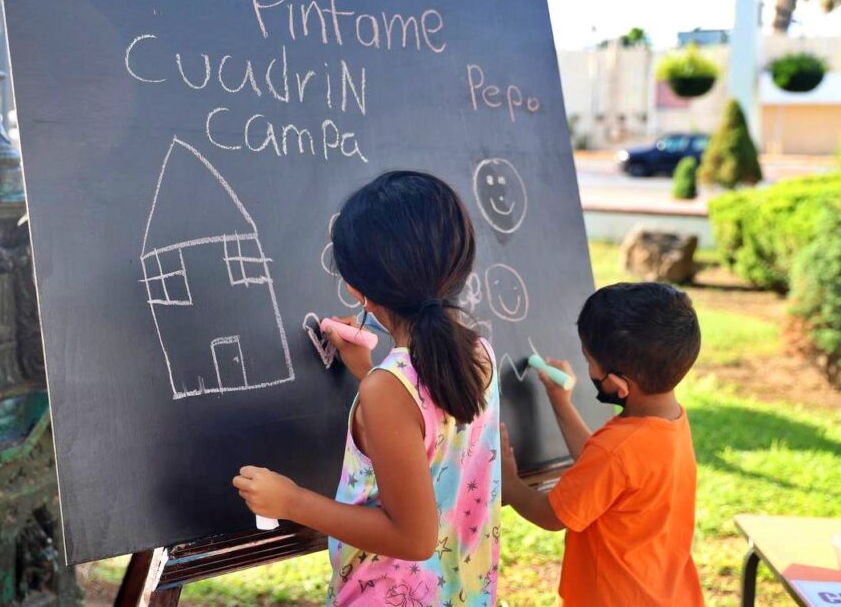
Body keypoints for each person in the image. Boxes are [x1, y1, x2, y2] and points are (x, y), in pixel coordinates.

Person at [232, 171, 502, 606]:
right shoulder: (479, 353)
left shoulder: (390, 391)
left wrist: (292, 501)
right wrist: (368, 374)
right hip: (463, 592)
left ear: (358, 290)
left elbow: (413, 539)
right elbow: (428, 429)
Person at [501, 282, 704, 606]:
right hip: (662, 593)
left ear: (616, 385)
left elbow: (553, 515)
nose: (587, 367)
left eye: (588, 360)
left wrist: (509, 484)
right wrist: (561, 402)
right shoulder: (670, 422)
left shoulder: (618, 449)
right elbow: (600, 473)